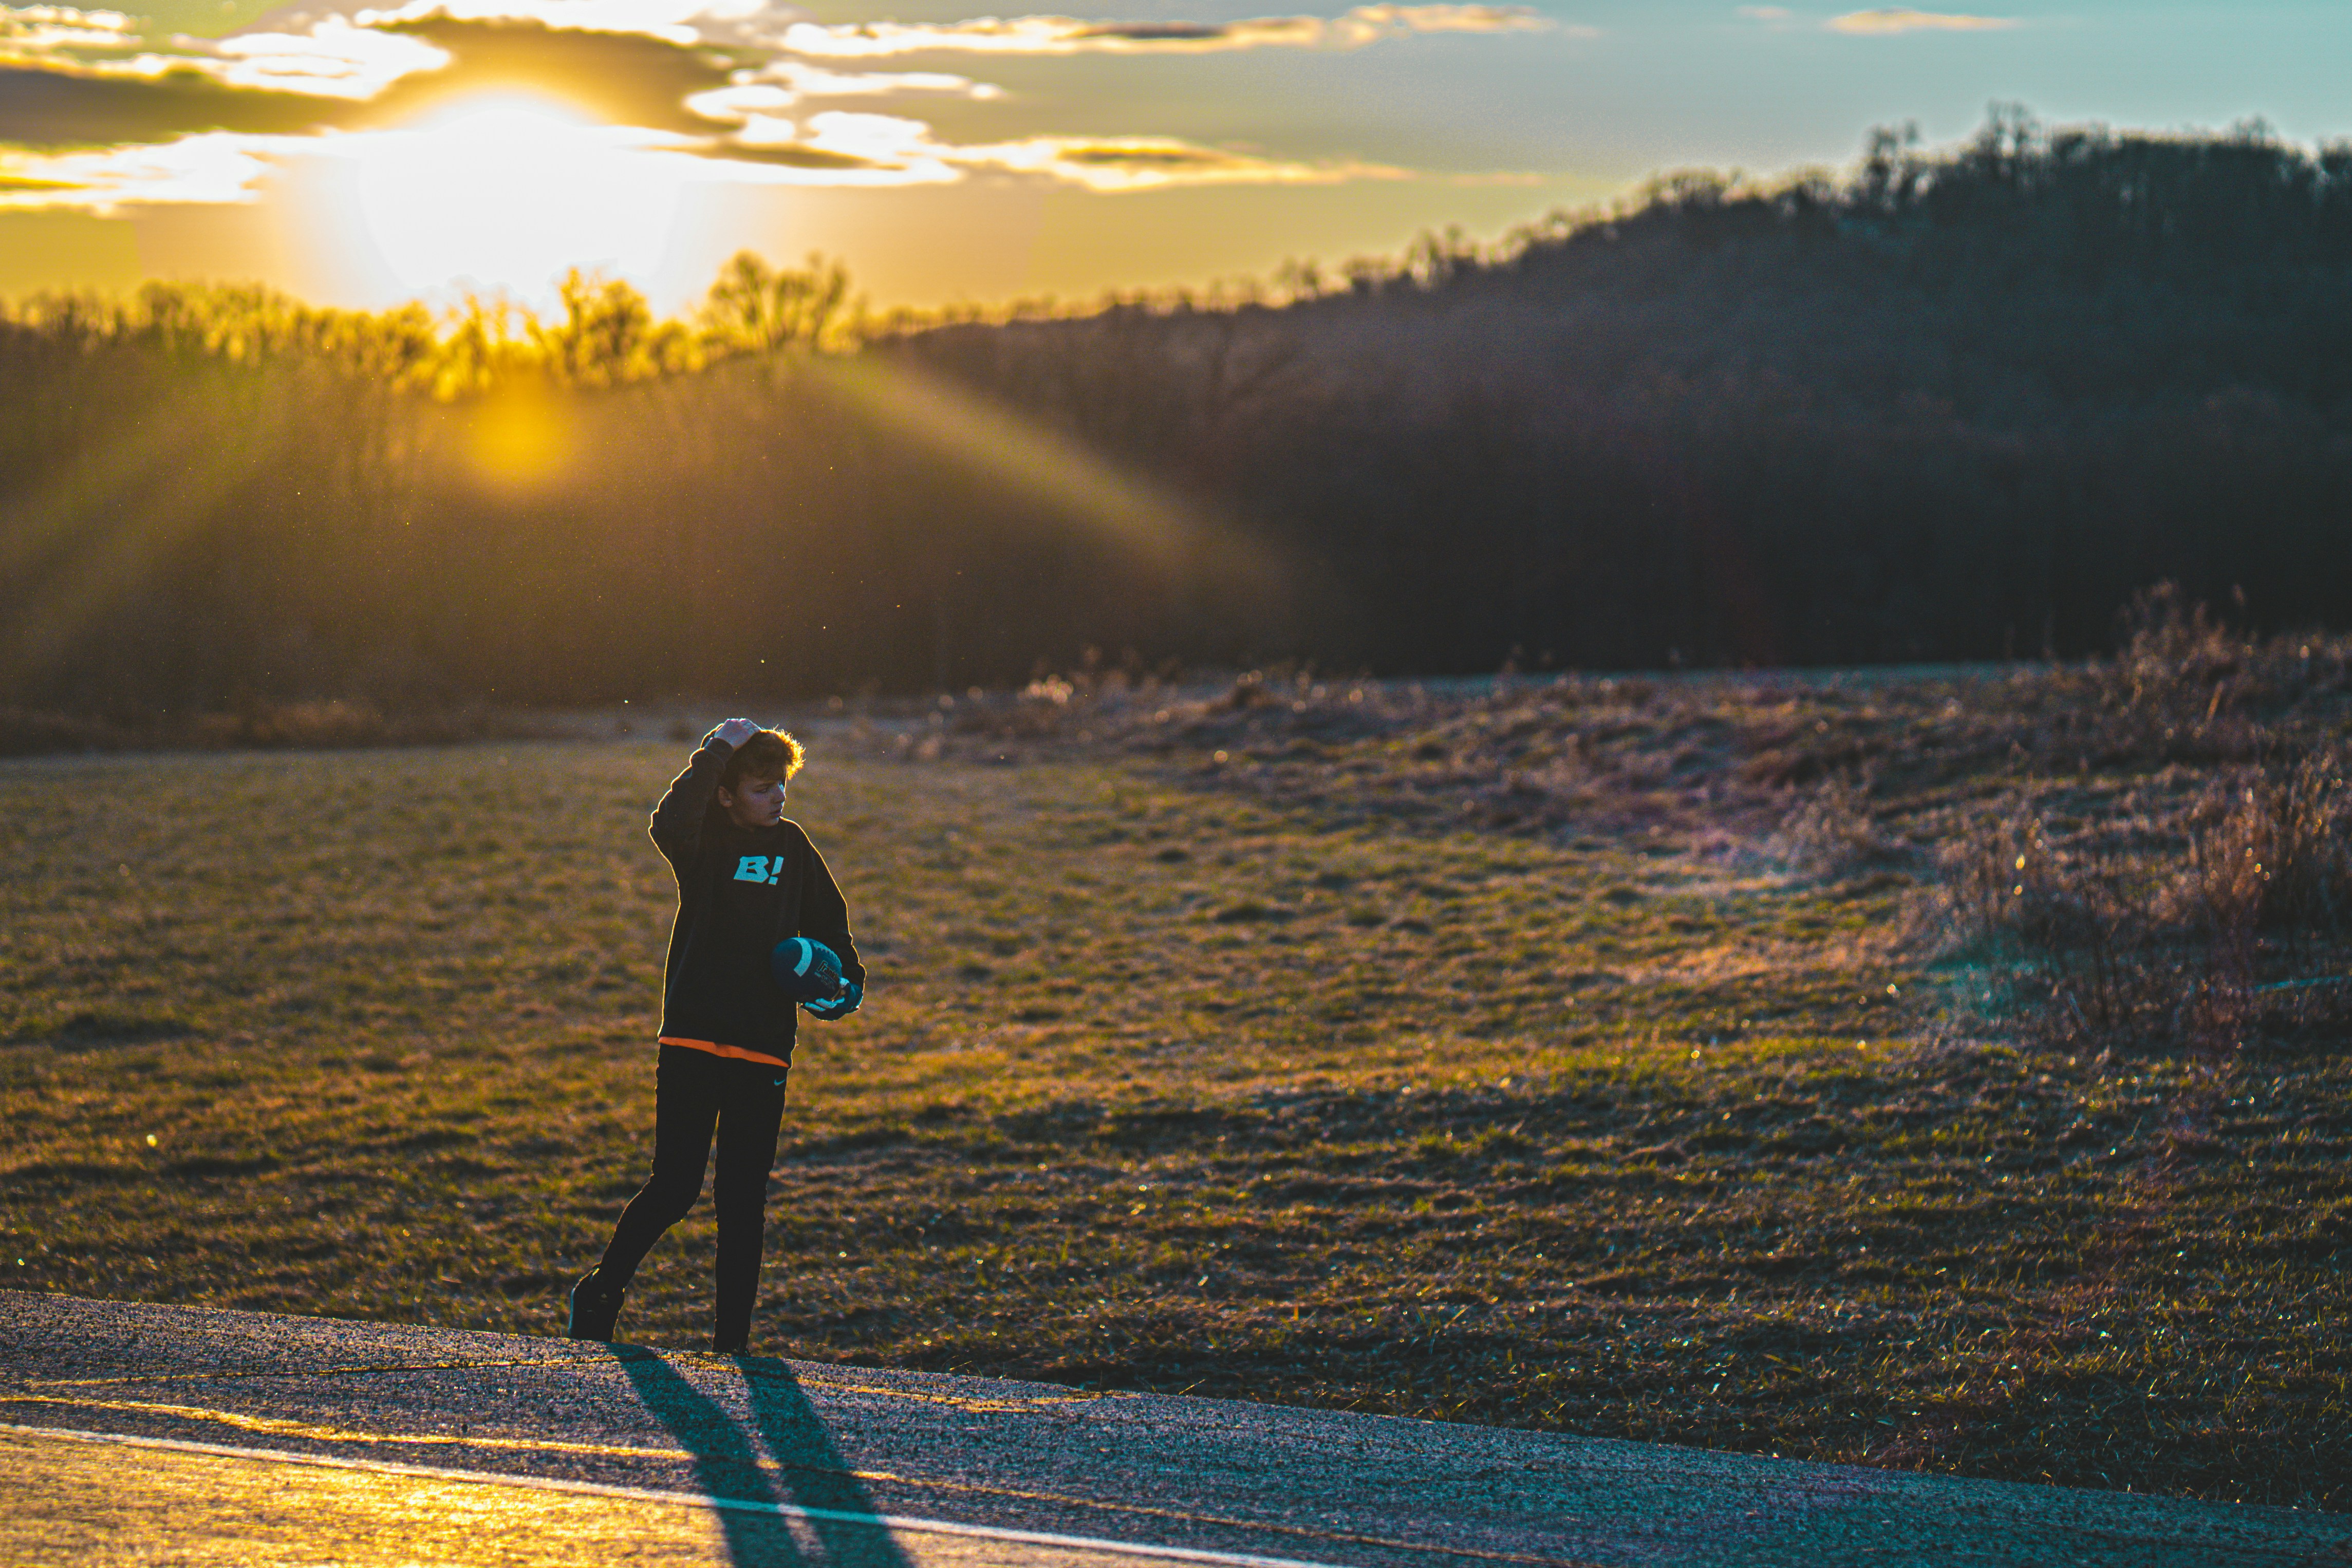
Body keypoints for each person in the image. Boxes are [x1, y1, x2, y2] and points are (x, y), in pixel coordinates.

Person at [566, 717, 865, 1353]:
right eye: (760, 787)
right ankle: (601, 1291)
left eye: (781, 785)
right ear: (727, 794)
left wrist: (845, 986)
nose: (777, 797)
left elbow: (832, 929)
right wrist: (717, 750)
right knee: (675, 1187)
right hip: (692, 1042)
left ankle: (731, 1345)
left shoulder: (795, 849)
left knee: (742, 1199)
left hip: (763, 1048)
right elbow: (667, 820)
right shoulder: (703, 844)